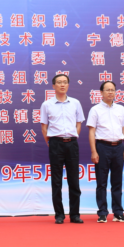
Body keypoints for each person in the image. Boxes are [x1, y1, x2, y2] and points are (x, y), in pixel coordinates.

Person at [40, 74, 86, 224]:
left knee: (74, 180)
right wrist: (50, 142)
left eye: (65, 82)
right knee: (56, 181)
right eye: (59, 82)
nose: (62, 85)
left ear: (68, 85)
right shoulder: (47, 104)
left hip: (72, 143)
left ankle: (75, 215)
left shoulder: (75, 103)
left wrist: (73, 137)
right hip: (55, 144)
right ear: (53, 86)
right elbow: (44, 126)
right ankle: (59, 215)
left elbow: (79, 123)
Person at [87, 81, 124, 223]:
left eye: (113, 90)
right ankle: (102, 213)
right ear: (101, 92)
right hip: (102, 147)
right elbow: (92, 131)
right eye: (107, 90)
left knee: (117, 182)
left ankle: (118, 213)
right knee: (102, 182)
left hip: (118, 147)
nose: (110, 92)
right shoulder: (95, 110)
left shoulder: (121, 109)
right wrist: (94, 151)